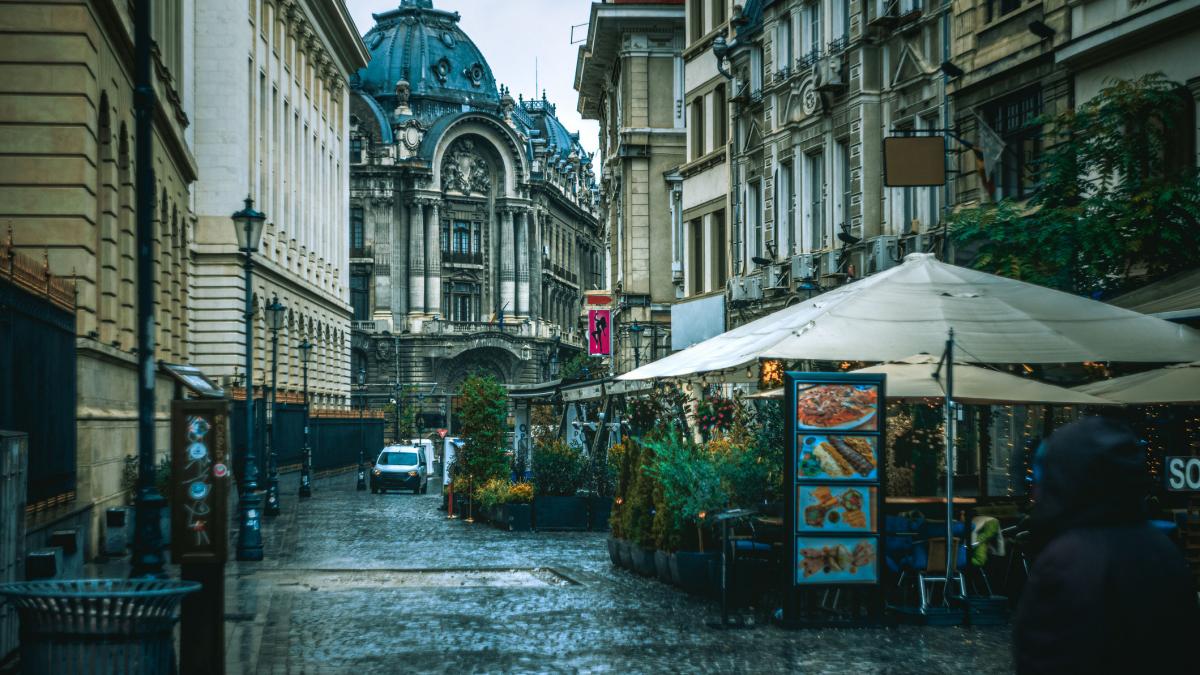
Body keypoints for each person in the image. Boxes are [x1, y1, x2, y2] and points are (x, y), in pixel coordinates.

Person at [1013, 416, 1199, 673]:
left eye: (1041, 478)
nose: (1035, 491)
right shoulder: (1163, 548)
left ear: (1065, 479)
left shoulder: (1066, 561)